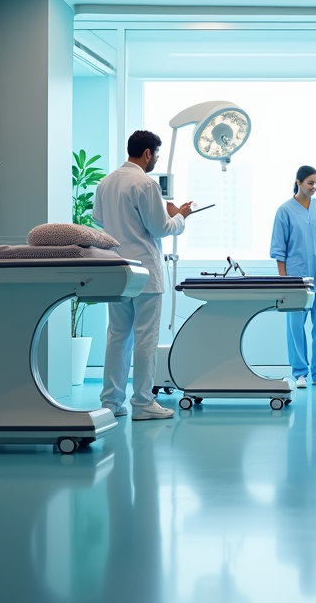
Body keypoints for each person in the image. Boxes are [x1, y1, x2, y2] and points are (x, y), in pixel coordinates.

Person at [93, 130, 193, 420]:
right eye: (157, 154)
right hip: (145, 272)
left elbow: (100, 220)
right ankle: (142, 403)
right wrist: (181, 216)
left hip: (116, 270)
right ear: (148, 153)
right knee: (145, 338)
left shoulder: (105, 183)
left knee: (117, 336)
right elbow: (161, 228)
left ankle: (111, 403)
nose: (156, 160)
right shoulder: (146, 184)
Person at [270, 165, 316, 388]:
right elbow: (279, 249)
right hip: (296, 279)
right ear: (298, 182)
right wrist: (283, 279)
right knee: (295, 327)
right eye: (310, 183)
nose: (314, 187)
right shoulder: (285, 210)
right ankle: (300, 373)